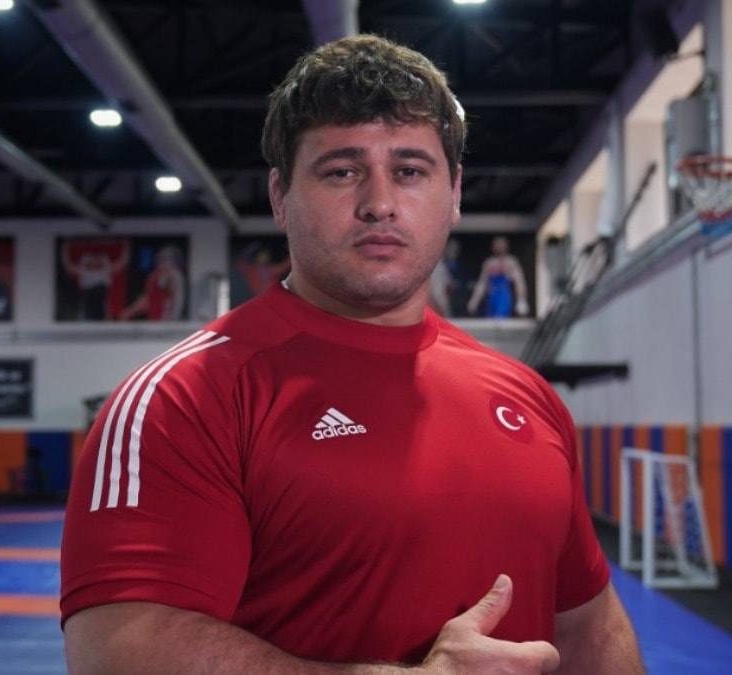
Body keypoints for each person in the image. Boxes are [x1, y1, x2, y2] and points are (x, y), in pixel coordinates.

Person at [60, 34, 643, 674]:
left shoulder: (525, 394)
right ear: (280, 197)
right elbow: (119, 653)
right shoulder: (183, 397)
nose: (379, 204)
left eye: (410, 171)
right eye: (341, 171)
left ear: (454, 194)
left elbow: (589, 625)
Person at [60, 241, 129, 321]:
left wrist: (126, 246)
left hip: (101, 301)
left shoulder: (105, 270)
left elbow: (122, 262)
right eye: (92, 262)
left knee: (102, 318)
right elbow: (68, 265)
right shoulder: (83, 271)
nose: (94, 263)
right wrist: (65, 248)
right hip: (87, 302)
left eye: (96, 262)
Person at [118, 244, 187, 321]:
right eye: (161, 258)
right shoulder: (154, 276)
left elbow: (171, 292)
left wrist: (165, 282)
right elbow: (148, 300)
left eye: (165, 258)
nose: (163, 262)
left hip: (169, 321)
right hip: (155, 321)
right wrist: (129, 312)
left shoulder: (174, 274)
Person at [468, 235, 530, 318]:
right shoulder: (489, 263)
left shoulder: (511, 262)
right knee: (489, 319)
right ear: (492, 247)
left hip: (504, 297)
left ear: (506, 247)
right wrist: (474, 301)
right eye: (497, 245)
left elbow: (519, 282)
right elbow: (482, 283)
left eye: (501, 245)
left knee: (501, 318)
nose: (499, 247)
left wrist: (522, 301)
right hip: (491, 297)